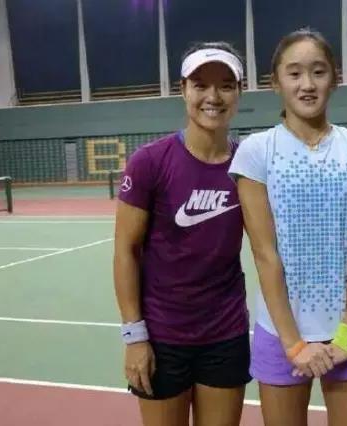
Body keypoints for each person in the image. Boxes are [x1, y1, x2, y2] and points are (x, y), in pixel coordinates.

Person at [228, 28, 347, 426]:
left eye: (318, 72)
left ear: (334, 78)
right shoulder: (256, 152)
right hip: (280, 335)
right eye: (294, 73)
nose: (307, 84)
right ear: (275, 82)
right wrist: (293, 344)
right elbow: (265, 255)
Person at [113, 41, 251, 426]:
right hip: (162, 337)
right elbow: (125, 250)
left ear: (239, 92)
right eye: (200, 85)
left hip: (226, 335)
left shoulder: (249, 166)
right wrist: (134, 336)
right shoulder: (149, 162)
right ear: (183, 90)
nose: (213, 97)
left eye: (226, 85)